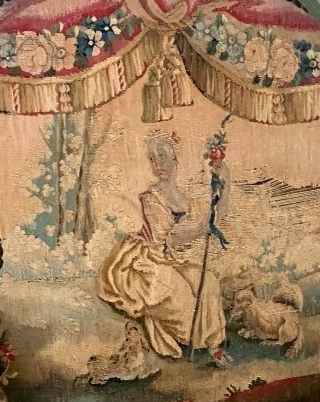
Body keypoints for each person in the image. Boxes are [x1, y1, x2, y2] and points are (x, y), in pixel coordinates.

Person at [97, 130, 229, 359]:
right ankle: (189, 341)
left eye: (163, 156)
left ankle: (213, 346)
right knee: (176, 291)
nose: (158, 164)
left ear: (176, 158)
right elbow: (167, 237)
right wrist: (203, 227)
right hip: (144, 260)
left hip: (169, 259)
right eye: (152, 158)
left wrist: (224, 186)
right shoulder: (151, 197)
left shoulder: (186, 200)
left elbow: (214, 219)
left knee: (208, 282)